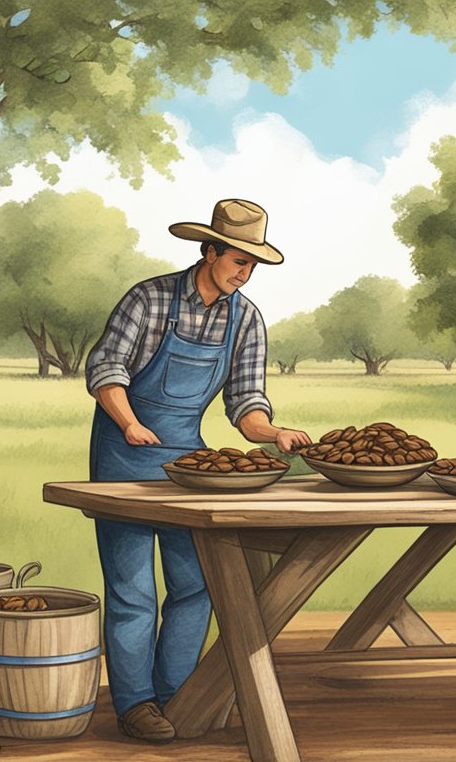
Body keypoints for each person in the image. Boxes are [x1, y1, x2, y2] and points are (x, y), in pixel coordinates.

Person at [84, 198, 312, 744]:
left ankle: (176, 695)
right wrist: (130, 423)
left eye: (252, 266)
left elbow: (245, 402)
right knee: (132, 588)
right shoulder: (151, 299)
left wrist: (272, 433)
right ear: (208, 251)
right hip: (122, 458)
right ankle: (136, 704)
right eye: (238, 260)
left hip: (188, 463)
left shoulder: (246, 319)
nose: (244, 273)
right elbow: (105, 369)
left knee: (194, 585)